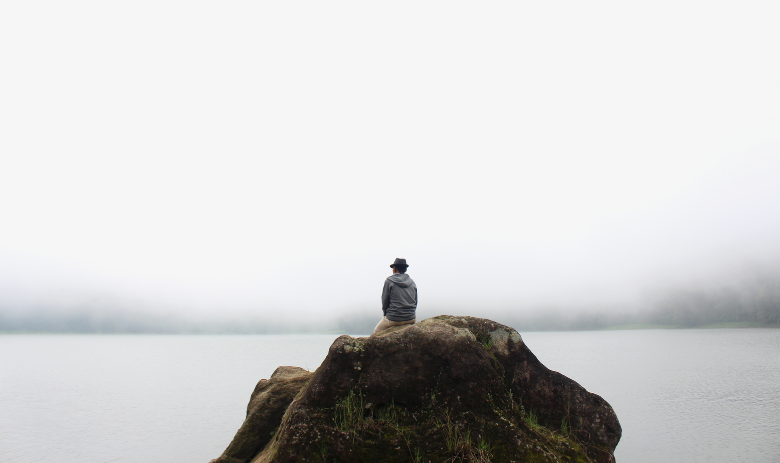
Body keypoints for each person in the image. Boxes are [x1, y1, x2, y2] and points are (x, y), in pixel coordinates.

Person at [373, 258, 417, 334]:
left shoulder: (389, 281)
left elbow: (385, 300)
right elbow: (415, 301)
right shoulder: (412, 282)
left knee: (376, 332)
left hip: (394, 318)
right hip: (411, 318)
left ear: (395, 268)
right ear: (405, 269)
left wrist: (386, 314)